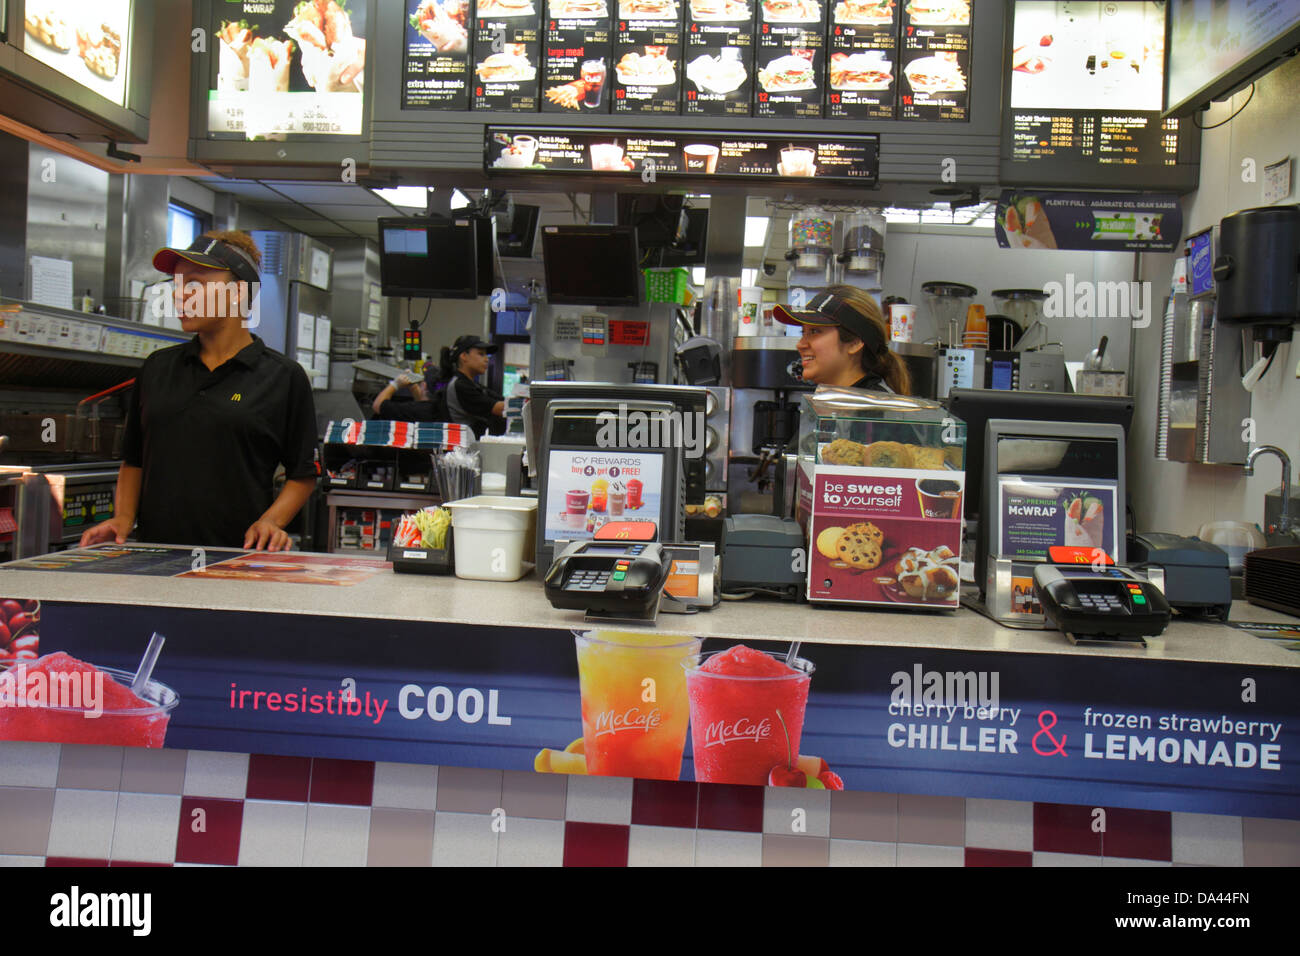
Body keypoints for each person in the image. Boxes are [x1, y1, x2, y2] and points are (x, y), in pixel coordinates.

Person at [79, 231, 318, 552]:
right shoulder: (157, 368)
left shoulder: (283, 377)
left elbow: (302, 473)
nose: (180, 296)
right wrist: (123, 518)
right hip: (154, 557)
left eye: (195, 284)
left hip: (239, 558)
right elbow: (134, 460)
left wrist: (272, 522)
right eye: (177, 286)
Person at [774, 285, 912, 394]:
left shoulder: (877, 413)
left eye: (814, 331)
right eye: (803, 332)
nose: (800, 344)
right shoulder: (834, 402)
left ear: (855, 342)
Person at [373, 334, 506, 437]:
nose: (486, 359)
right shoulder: (461, 386)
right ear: (464, 356)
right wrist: (396, 384)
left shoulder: (471, 385)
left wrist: (412, 387)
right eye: (481, 354)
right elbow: (500, 408)